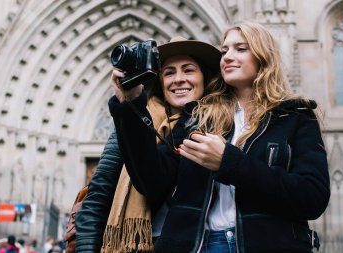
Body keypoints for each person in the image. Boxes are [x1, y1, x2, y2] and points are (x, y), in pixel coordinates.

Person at [109, 21, 330, 253]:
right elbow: (151, 180)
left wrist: (229, 162)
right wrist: (132, 101)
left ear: (263, 57)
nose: (227, 57)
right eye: (224, 51)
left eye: (240, 49)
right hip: (200, 246)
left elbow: (312, 198)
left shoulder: (296, 117)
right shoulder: (197, 118)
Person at [75, 37, 221, 253]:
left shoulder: (222, 123)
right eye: (169, 72)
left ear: (205, 77)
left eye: (188, 70)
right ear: (159, 81)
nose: (178, 79)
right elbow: (98, 199)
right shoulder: (133, 121)